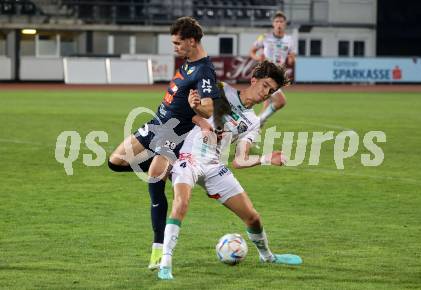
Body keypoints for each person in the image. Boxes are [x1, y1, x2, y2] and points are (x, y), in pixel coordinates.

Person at [157, 61, 302, 280]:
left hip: (215, 166)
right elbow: (185, 111)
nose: (266, 93)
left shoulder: (253, 122)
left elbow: (239, 160)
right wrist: (198, 114)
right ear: (253, 80)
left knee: (252, 217)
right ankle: (165, 262)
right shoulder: (222, 90)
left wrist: (265, 158)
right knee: (181, 203)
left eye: (271, 91)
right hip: (189, 156)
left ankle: (268, 256)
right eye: (264, 86)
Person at [107, 16, 220, 270]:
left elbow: (211, 106)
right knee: (115, 161)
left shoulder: (204, 69)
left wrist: (198, 107)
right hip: (156, 123)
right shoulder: (187, 62)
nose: (175, 47)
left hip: (173, 133)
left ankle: (158, 250)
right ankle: (171, 169)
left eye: (178, 43)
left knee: (154, 182)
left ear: (192, 41)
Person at [249, 11, 296, 127]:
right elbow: (252, 51)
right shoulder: (264, 37)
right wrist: (257, 57)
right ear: (273, 24)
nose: (279, 24)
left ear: (285, 24)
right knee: (280, 101)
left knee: (265, 103)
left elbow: (292, 57)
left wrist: (291, 59)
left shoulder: (289, 40)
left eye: (281, 21)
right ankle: (257, 122)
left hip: (277, 75)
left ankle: (254, 126)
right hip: (266, 73)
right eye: (277, 21)